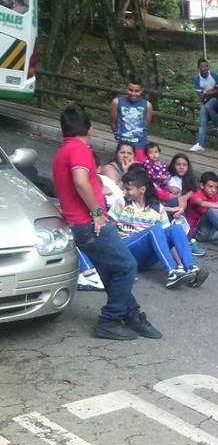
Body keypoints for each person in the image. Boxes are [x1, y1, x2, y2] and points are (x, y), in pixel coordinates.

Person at [52, 105, 161, 341]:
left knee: (113, 271)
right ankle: (109, 320)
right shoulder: (79, 150)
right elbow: (81, 182)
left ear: (64, 131)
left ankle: (131, 316)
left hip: (79, 224)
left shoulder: (63, 151)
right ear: (89, 130)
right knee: (126, 266)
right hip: (89, 223)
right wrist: (97, 212)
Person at [108, 165, 208, 289]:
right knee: (155, 230)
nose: (125, 192)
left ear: (142, 190)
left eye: (128, 189)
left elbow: (169, 240)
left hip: (146, 258)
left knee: (175, 228)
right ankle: (172, 272)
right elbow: (108, 230)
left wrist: (180, 264)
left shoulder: (157, 208)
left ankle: (190, 268)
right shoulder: (121, 203)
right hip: (126, 249)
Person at [109, 74, 152, 163]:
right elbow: (113, 122)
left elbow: (147, 125)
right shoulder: (117, 102)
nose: (133, 93)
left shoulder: (147, 105)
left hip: (140, 144)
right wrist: (119, 135)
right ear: (126, 88)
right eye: (130, 90)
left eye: (137, 91)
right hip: (123, 143)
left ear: (142, 90)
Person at [190, 58, 218, 152]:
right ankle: (200, 144)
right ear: (199, 68)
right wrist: (210, 92)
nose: (205, 68)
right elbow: (200, 94)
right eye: (203, 67)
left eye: (206, 66)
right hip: (205, 100)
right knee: (202, 121)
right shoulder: (197, 79)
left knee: (208, 106)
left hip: (216, 99)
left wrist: (206, 92)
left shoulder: (214, 75)